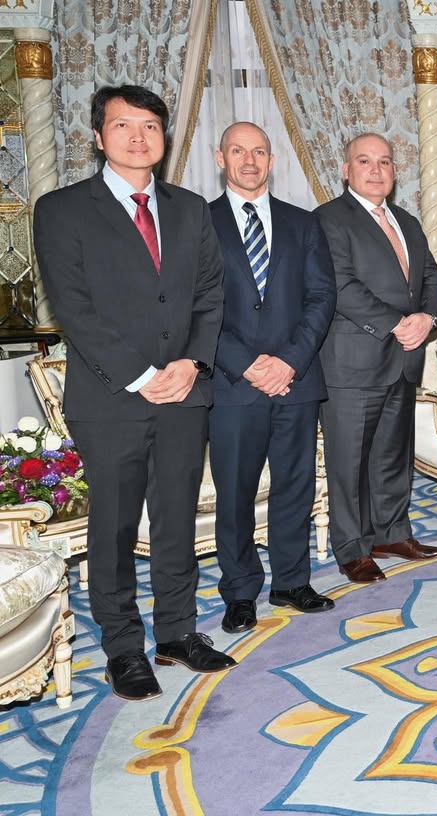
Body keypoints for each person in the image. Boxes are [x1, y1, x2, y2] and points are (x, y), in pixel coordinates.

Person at [33, 84, 233, 700]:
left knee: (176, 520)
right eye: (123, 125)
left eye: (150, 125)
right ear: (99, 137)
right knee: (114, 529)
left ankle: (177, 632)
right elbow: (75, 310)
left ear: (163, 137)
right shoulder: (62, 209)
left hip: (184, 393)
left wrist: (192, 363)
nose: (139, 137)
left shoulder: (189, 208)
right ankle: (123, 647)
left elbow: (210, 293)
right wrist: (144, 377)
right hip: (111, 399)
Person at [208, 122, 337, 634]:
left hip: (295, 380)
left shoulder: (302, 223)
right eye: (238, 151)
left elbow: (321, 297)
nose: (249, 160)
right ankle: (240, 591)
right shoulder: (198, 222)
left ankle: (291, 580)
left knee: (295, 486)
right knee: (235, 493)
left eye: (259, 151)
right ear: (220, 158)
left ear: (272, 160)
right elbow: (196, 306)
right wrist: (248, 364)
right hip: (232, 383)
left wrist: (288, 362)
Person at [316, 133, 437, 583]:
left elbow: (431, 277)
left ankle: (391, 533)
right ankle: (352, 547)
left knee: (392, 455)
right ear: (346, 170)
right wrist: (397, 323)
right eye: (365, 161)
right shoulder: (328, 219)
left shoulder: (406, 221)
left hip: (403, 359)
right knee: (349, 462)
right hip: (353, 363)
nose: (376, 170)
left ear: (394, 170)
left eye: (385, 162)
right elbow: (340, 284)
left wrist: (428, 318)